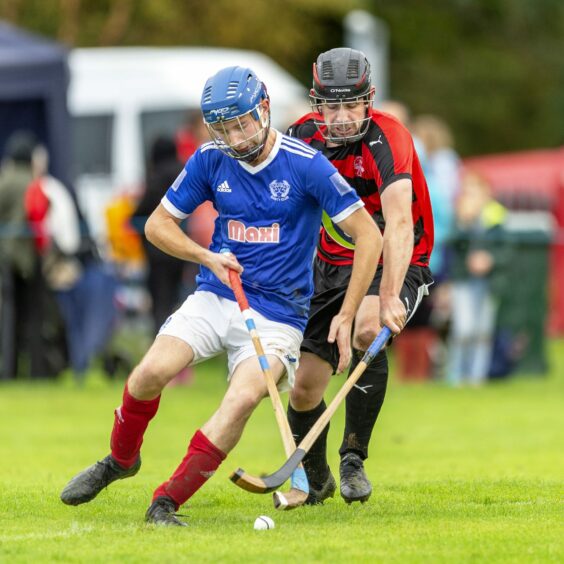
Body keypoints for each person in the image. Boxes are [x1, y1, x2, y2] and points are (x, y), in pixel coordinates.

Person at [59, 65, 382, 525]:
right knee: (149, 373)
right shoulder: (211, 159)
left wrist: (347, 315)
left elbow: (368, 235)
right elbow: (156, 225)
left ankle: (165, 502)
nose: (236, 136)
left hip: (278, 315)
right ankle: (120, 460)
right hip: (216, 294)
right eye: (224, 127)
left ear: (265, 110)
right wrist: (206, 257)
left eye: (243, 122)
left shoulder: (306, 165)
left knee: (243, 397)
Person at [285, 48, 434, 504]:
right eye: (333, 106)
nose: (344, 117)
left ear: (369, 100)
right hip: (330, 267)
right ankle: (316, 478)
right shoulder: (300, 137)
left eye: (352, 105)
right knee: (306, 384)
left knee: (370, 326)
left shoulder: (389, 138)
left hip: (397, 257)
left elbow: (400, 223)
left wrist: (389, 295)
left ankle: (353, 459)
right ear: (317, 104)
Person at [447, 170, 508, 386]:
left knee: (483, 331)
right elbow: (452, 242)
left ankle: (476, 378)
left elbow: (506, 250)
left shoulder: (496, 215)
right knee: (463, 328)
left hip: (488, 282)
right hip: (464, 281)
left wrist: (489, 259)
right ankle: (455, 376)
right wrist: (464, 223)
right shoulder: (460, 215)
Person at [132, 136, 185, 334]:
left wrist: (133, 217)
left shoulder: (157, 176)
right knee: (176, 299)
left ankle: (162, 342)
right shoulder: (183, 170)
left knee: (160, 302)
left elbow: (143, 210)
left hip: (158, 251)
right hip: (182, 247)